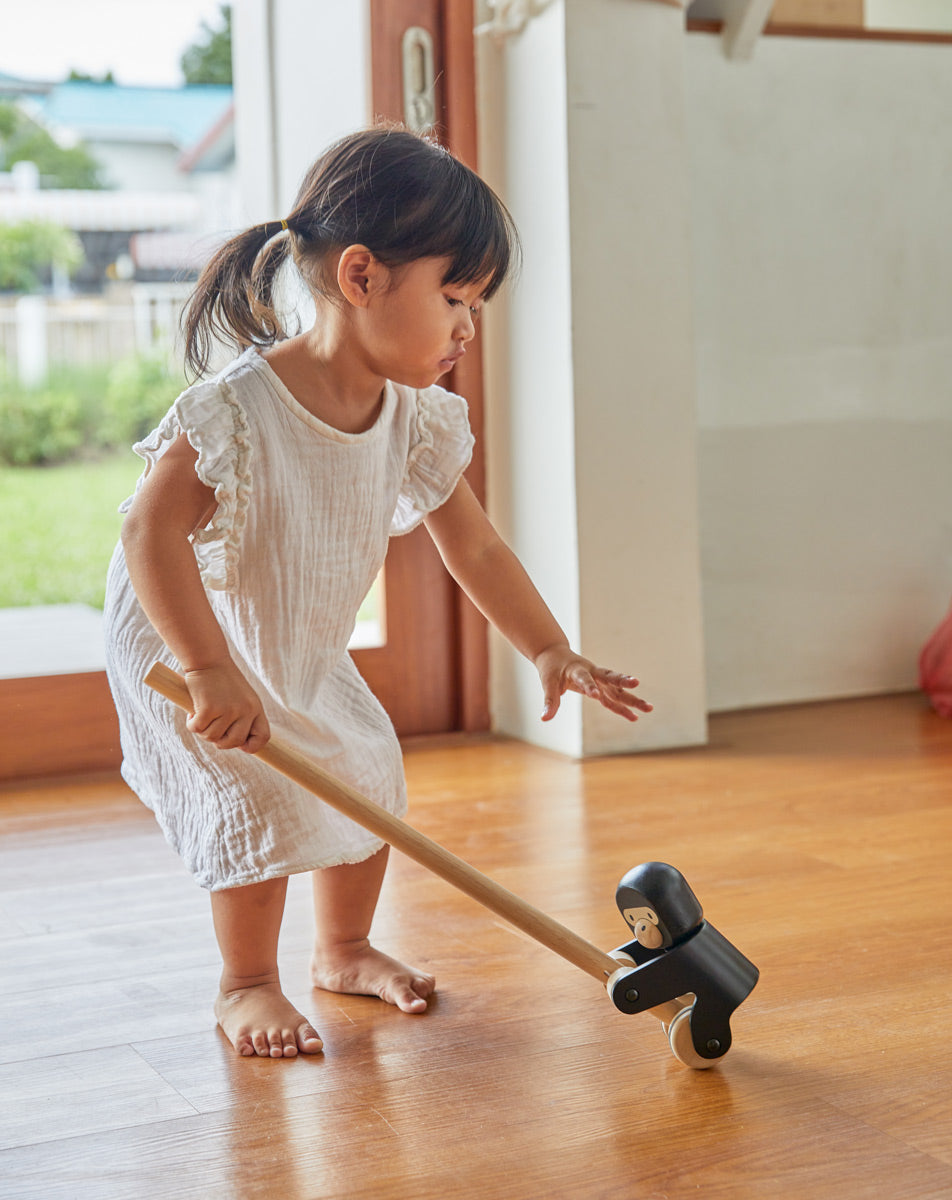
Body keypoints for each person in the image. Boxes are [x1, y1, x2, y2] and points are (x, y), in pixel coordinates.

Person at [104, 126, 652, 1061]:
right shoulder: (238, 410)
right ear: (361, 277)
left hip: (296, 639)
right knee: (261, 796)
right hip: (191, 637)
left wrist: (549, 648)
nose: (468, 328)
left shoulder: (413, 418)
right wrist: (207, 668)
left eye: (477, 304)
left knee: (368, 775)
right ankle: (244, 984)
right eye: (454, 297)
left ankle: (345, 949)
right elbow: (146, 533)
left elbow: (473, 545)